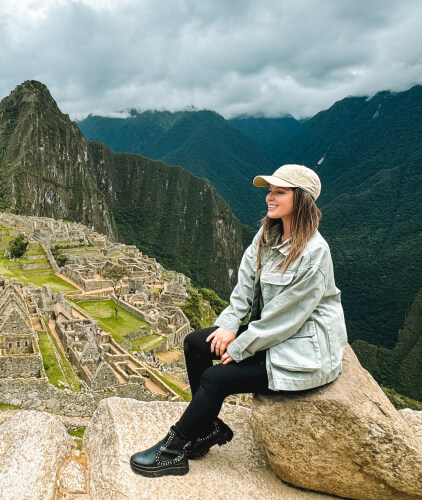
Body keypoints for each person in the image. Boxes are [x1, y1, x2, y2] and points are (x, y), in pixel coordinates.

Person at [130, 164, 347, 478]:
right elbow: (246, 283)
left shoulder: (315, 253)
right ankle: (205, 431)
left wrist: (243, 346)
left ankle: (172, 450)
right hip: (275, 335)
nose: (269, 198)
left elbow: (286, 317)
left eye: (279, 192)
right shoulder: (268, 232)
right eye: (269, 191)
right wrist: (230, 326)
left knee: (217, 379)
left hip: (303, 351)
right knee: (196, 344)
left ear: (300, 199)